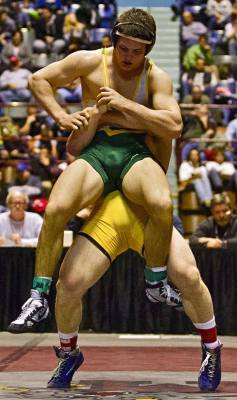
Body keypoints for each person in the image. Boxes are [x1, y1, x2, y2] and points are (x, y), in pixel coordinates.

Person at [26, 8, 183, 309]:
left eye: (136, 52)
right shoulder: (89, 60)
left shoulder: (155, 77)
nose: (127, 56)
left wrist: (125, 105)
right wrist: (60, 115)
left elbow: (174, 126)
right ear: (114, 40)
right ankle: (37, 296)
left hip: (134, 152)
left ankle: (155, 280)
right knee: (56, 207)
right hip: (95, 147)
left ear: (147, 50)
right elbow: (38, 80)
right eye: (123, 48)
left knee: (163, 204)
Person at [27, 190, 220, 392]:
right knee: (67, 286)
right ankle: (69, 354)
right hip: (107, 217)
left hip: (147, 215)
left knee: (189, 276)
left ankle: (212, 348)